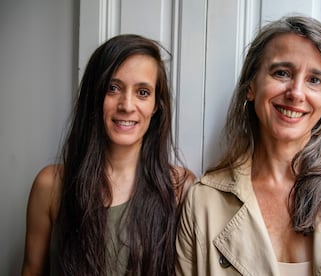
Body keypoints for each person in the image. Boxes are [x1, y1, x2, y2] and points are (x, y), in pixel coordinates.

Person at [176, 15, 321, 275]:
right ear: (251, 86)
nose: (296, 93)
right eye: (282, 73)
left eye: (314, 80)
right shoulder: (203, 202)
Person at [22, 34, 194, 276]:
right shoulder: (50, 186)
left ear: (156, 105)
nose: (126, 105)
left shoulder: (180, 188)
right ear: (95, 95)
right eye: (113, 88)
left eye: (143, 92)